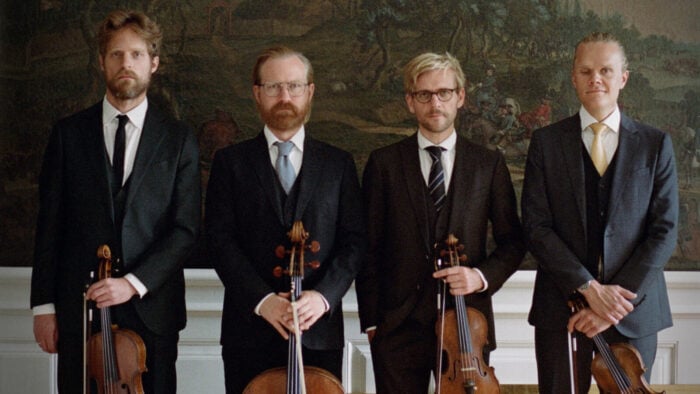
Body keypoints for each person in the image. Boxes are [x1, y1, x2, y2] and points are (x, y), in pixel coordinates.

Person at [31, 9, 201, 393]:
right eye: (116, 55)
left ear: (153, 63)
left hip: (153, 309)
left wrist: (133, 283)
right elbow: (49, 225)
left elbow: (186, 229)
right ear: (101, 62)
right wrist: (44, 306)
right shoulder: (67, 135)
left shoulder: (178, 139)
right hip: (80, 310)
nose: (127, 63)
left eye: (137, 54)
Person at [356, 52, 525, 393]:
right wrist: (372, 321)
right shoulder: (384, 163)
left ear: (460, 97)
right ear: (410, 102)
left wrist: (479, 277)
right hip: (397, 327)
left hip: (467, 325)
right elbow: (367, 247)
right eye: (424, 95)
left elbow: (514, 242)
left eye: (444, 92)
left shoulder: (487, 164)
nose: (435, 103)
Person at [521, 32, 678, 393]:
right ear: (573, 78)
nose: (596, 79)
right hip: (561, 310)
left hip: (634, 313)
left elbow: (664, 230)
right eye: (586, 70)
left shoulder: (655, 144)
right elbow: (536, 227)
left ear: (623, 77)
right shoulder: (545, 143)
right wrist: (588, 288)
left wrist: (614, 303)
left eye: (606, 70)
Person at [205, 46, 366, 393]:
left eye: (294, 86)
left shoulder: (338, 164)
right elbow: (219, 241)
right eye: (274, 87)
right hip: (248, 329)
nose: (284, 96)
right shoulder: (230, 163)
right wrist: (264, 301)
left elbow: (354, 242)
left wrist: (322, 298)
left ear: (310, 91)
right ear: (257, 94)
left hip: (317, 330)